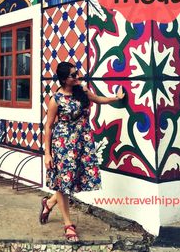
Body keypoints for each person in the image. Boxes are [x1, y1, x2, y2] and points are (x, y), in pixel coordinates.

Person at [39, 61, 124, 242]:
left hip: (82, 142)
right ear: (63, 79)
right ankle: (68, 224)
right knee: (64, 183)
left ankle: (49, 202)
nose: (77, 76)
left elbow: (99, 99)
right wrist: (47, 153)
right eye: (73, 75)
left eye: (77, 73)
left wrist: (116, 98)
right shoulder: (56, 100)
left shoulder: (82, 91)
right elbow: (48, 127)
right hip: (63, 145)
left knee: (73, 180)